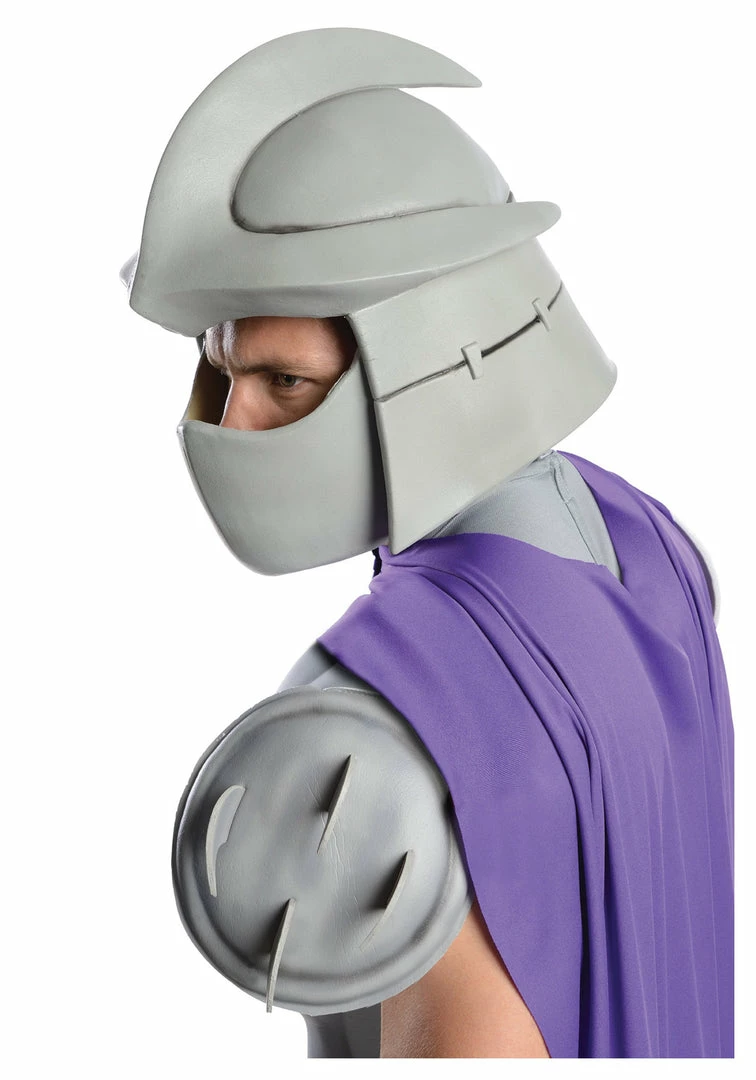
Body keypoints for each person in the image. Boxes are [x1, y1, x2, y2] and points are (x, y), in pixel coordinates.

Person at [120, 28, 734, 1058]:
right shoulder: (653, 551)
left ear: (437, 357)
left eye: (285, 382)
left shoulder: (380, 724)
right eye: (220, 370)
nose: (230, 426)